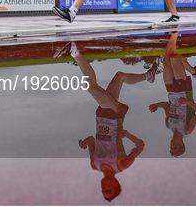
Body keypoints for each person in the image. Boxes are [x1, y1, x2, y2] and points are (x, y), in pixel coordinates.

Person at [59, 41, 145, 202]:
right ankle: (74, 52)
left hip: (101, 115)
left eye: (103, 190)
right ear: (116, 184)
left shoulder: (94, 165)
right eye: (109, 189)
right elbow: (140, 145)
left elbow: (93, 141)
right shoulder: (122, 165)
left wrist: (85, 142)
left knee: (119, 76)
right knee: (91, 87)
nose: (104, 187)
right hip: (115, 115)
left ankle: (149, 75)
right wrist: (126, 135)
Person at [148, 32, 196, 156]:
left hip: (171, 91)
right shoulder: (187, 130)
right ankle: (175, 34)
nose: (171, 145)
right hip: (184, 92)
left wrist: (156, 105)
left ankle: (171, 36)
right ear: (181, 145)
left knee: (167, 59)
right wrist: (187, 102)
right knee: (174, 58)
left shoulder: (168, 125)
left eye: (171, 147)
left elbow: (166, 106)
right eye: (175, 147)